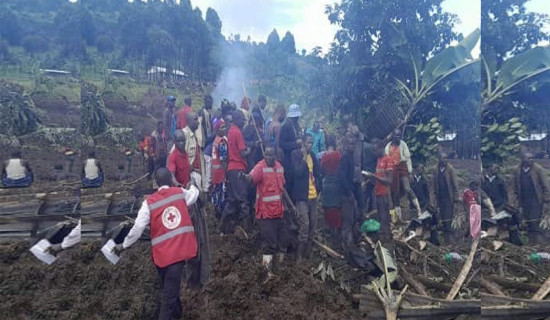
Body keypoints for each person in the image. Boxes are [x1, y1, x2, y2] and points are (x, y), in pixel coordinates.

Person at [115, 168, 200, 320]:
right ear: (171, 179)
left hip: (161, 257)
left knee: (169, 291)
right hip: (178, 254)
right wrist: (193, 183)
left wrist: (124, 245)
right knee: (169, 297)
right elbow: (194, 195)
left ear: (155, 182)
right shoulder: (180, 193)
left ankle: (177, 315)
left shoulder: (149, 202)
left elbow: (138, 228)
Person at [240, 145, 285, 283]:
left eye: (271, 155)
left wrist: (289, 206)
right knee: (269, 243)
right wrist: (244, 177)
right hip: (265, 213)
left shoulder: (279, 167)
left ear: (275, 156)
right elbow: (251, 178)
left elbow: (283, 188)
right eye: (266, 155)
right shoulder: (260, 167)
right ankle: (266, 273)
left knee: (278, 242)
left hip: (278, 211)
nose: (268, 157)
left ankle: (275, 270)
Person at [219, 110, 251, 234]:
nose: (244, 122)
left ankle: (222, 227)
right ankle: (247, 230)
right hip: (238, 168)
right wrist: (251, 149)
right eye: (242, 119)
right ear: (237, 119)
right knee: (243, 200)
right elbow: (243, 153)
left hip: (232, 169)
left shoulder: (231, 130)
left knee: (232, 200)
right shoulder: (237, 132)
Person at [385, 129, 422, 220]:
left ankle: (418, 209)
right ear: (392, 136)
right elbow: (386, 159)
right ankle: (398, 217)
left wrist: (409, 172)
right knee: (395, 191)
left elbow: (408, 158)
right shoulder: (388, 146)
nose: (397, 137)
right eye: (395, 135)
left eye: (399, 135)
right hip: (393, 169)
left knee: (407, 188)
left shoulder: (403, 144)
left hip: (402, 167)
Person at [514, 152, 550, 243]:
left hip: (536, 199)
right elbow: (514, 186)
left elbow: (546, 186)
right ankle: (529, 240)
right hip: (524, 199)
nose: (531, 160)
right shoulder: (518, 169)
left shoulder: (538, 169)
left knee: (535, 221)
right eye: (529, 158)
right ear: (523, 159)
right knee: (525, 220)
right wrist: (515, 200)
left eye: (532, 158)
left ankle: (539, 241)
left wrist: (546, 200)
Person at [363, 140, 394, 243]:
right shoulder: (379, 160)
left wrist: (374, 176)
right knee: (381, 217)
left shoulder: (388, 160)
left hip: (384, 194)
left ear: (381, 148)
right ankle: (383, 238)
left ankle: (387, 239)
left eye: (375, 150)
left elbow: (389, 180)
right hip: (378, 193)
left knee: (384, 218)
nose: (374, 152)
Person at [338, 133, 361, 249]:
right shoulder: (345, 158)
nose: (353, 146)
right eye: (350, 144)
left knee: (354, 217)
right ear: (346, 145)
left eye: (354, 144)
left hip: (350, 193)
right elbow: (342, 177)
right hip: (346, 195)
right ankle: (346, 246)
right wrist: (349, 193)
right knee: (347, 221)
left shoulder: (350, 157)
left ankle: (350, 243)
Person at [434, 153, 461, 243]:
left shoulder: (450, 169)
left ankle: (450, 235)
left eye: (446, 158)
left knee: (448, 215)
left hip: (448, 196)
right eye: (443, 158)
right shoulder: (436, 169)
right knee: (441, 214)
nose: (445, 160)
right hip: (440, 196)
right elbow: (434, 184)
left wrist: (456, 197)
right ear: (439, 159)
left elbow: (455, 184)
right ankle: (444, 233)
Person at [320, 140, 342, 244]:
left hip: (326, 182)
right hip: (336, 182)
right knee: (336, 206)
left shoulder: (324, 156)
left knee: (327, 206)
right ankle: (336, 233)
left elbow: (322, 170)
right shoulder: (338, 155)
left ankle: (330, 230)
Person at [279, 104, 303, 182]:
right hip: (287, 158)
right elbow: (282, 144)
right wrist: (296, 144)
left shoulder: (296, 125)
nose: (296, 118)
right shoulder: (285, 126)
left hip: (296, 158)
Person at [181, 112, 204, 189]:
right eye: (195, 119)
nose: (198, 122)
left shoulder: (194, 135)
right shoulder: (184, 134)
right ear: (189, 121)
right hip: (190, 174)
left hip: (196, 172)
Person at [211, 120, 228, 218]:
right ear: (217, 130)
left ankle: (215, 211)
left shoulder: (216, 139)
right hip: (221, 171)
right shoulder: (222, 141)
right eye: (222, 127)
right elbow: (223, 159)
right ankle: (220, 213)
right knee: (221, 192)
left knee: (216, 191)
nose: (224, 129)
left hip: (215, 171)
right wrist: (226, 174)